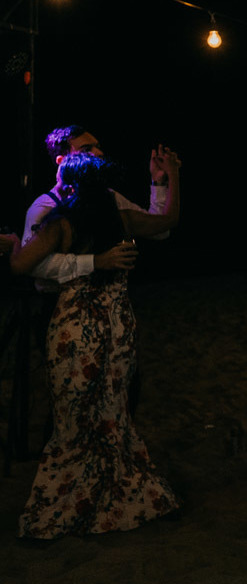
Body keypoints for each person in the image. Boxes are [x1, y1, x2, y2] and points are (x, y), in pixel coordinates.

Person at [8, 152, 181, 539]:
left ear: (71, 186)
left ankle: (56, 514)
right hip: (118, 326)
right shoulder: (122, 220)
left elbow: (21, 266)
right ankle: (122, 501)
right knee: (113, 416)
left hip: (76, 330)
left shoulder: (59, 226)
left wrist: (15, 241)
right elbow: (169, 220)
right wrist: (171, 176)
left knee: (72, 422)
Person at [24, 126, 176, 292]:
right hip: (59, 306)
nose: (98, 153)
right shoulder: (44, 206)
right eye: (87, 149)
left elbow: (159, 230)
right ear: (62, 161)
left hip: (106, 302)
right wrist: (96, 261)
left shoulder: (108, 197)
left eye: (97, 146)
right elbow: (32, 266)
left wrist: (158, 181)